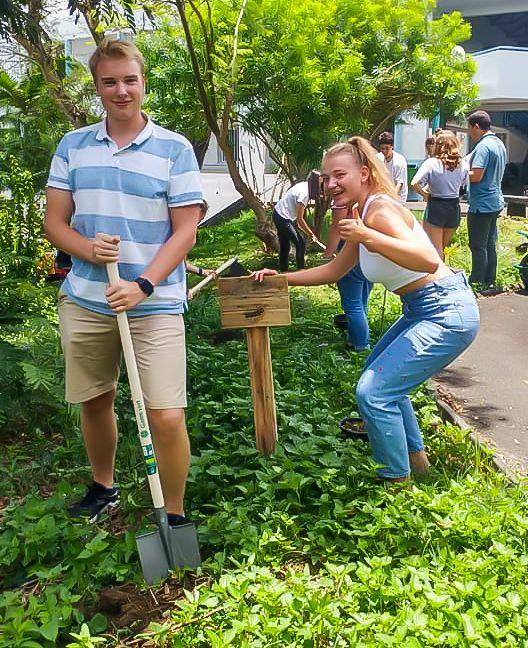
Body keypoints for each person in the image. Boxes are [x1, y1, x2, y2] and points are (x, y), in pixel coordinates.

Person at [254, 136, 480, 482]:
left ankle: (396, 484)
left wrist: (367, 235)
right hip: (422, 307)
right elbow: (333, 270)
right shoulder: (362, 213)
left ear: (364, 173)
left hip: (444, 309)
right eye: (327, 178)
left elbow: (426, 260)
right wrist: (280, 279)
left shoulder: (379, 209)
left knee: (373, 392)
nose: (330, 184)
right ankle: (418, 466)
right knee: (384, 381)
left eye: (339, 175)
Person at [44, 37, 204, 525]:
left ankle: (172, 514)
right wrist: (88, 249)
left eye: (129, 80)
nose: (120, 90)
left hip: (153, 304)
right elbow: (55, 224)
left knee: (167, 413)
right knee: (96, 400)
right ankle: (103, 486)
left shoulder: (174, 149)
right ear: (97, 88)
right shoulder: (73, 146)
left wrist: (144, 286)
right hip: (88, 299)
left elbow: (185, 232)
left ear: (143, 83)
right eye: (109, 82)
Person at [411, 131, 469, 260]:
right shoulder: (463, 164)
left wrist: (424, 194)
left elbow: (414, 182)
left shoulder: (432, 163)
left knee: (434, 249)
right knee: (442, 248)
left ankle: (437, 277)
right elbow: (463, 187)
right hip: (454, 207)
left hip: (436, 206)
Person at [466, 110, 507, 287]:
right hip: (495, 201)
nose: (469, 133)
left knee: (477, 244)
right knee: (490, 243)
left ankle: (477, 281)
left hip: (481, 204)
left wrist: (459, 174)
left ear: (476, 126)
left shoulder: (483, 146)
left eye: (469, 129)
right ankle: (490, 280)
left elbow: (476, 175)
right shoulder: (498, 143)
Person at [325, 204, 372, 351]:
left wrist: (329, 256)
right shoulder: (371, 201)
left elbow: (337, 228)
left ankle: (360, 346)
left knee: (352, 305)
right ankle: (356, 339)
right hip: (369, 253)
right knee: (361, 300)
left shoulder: (343, 200)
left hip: (349, 252)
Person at [272, 179, 323, 272]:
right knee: (300, 243)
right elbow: (300, 221)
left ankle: (283, 272)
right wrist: (311, 234)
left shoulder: (304, 184)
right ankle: (301, 270)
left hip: (277, 213)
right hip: (282, 217)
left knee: (285, 246)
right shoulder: (304, 195)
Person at [376, 131, 408, 203]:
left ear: (392, 146)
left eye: (387, 148)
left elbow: (400, 183)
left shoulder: (399, 161)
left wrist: (391, 198)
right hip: (383, 197)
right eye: (382, 148)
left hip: (398, 198)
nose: (384, 151)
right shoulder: (378, 158)